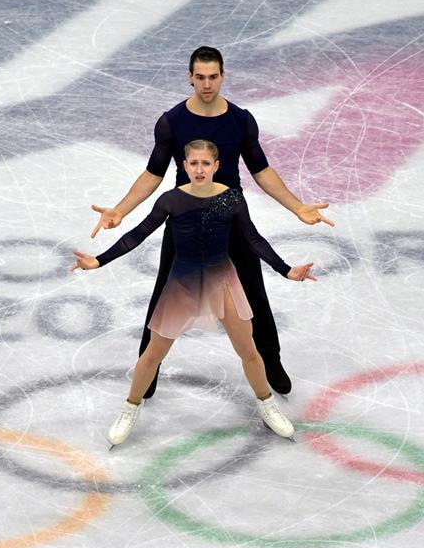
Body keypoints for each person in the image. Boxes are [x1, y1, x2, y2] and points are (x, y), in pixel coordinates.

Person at [90, 46, 333, 399]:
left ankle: (272, 362)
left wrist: (297, 207)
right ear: (190, 77)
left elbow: (261, 170)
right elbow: (153, 173)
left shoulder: (240, 120)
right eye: (200, 77)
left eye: (213, 76)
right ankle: (149, 370)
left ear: (223, 76)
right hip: (184, 220)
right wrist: (121, 209)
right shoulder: (172, 121)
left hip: (230, 218)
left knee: (254, 294)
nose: (206, 84)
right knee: (163, 295)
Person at [71, 140, 317, 446]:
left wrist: (286, 269)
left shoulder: (232, 199)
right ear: (185, 166)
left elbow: (253, 238)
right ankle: (130, 409)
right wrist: (99, 260)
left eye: (205, 163)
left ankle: (267, 405)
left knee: (249, 350)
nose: (199, 169)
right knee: (152, 355)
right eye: (193, 163)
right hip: (183, 282)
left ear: (216, 166)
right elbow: (138, 234)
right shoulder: (171, 200)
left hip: (221, 281)